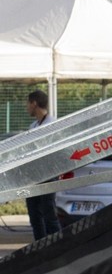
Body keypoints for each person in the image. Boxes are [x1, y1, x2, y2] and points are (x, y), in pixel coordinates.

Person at [23, 89, 61, 241]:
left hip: (48, 174)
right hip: (34, 176)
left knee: (49, 214)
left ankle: (58, 246)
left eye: (28, 103)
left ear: (34, 103)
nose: (27, 107)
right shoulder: (33, 126)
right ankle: (39, 246)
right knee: (34, 216)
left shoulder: (52, 124)